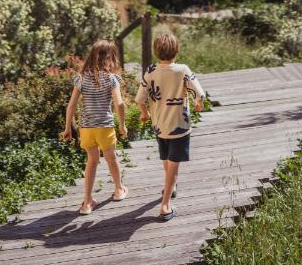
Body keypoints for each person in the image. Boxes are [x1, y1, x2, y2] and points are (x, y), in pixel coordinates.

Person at [136, 30, 205, 221]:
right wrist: (199, 103)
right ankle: (165, 205)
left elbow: (140, 99)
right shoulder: (183, 70)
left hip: (159, 126)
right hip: (179, 126)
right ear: (176, 50)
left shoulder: (150, 71)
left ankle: (171, 186)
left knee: (167, 159)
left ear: (156, 52)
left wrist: (144, 113)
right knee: (173, 165)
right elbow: (199, 92)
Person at [62, 39, 128, 215]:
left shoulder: (81, 78)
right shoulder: (111, 78)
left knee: (91, 161)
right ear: (110, 58)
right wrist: (122, 125)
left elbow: (71, 105)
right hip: (105, 127)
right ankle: (119, 190)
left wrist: (68, 128)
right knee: (111, 159)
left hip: (86, 129)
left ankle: (87, 202)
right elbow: (120, 104)